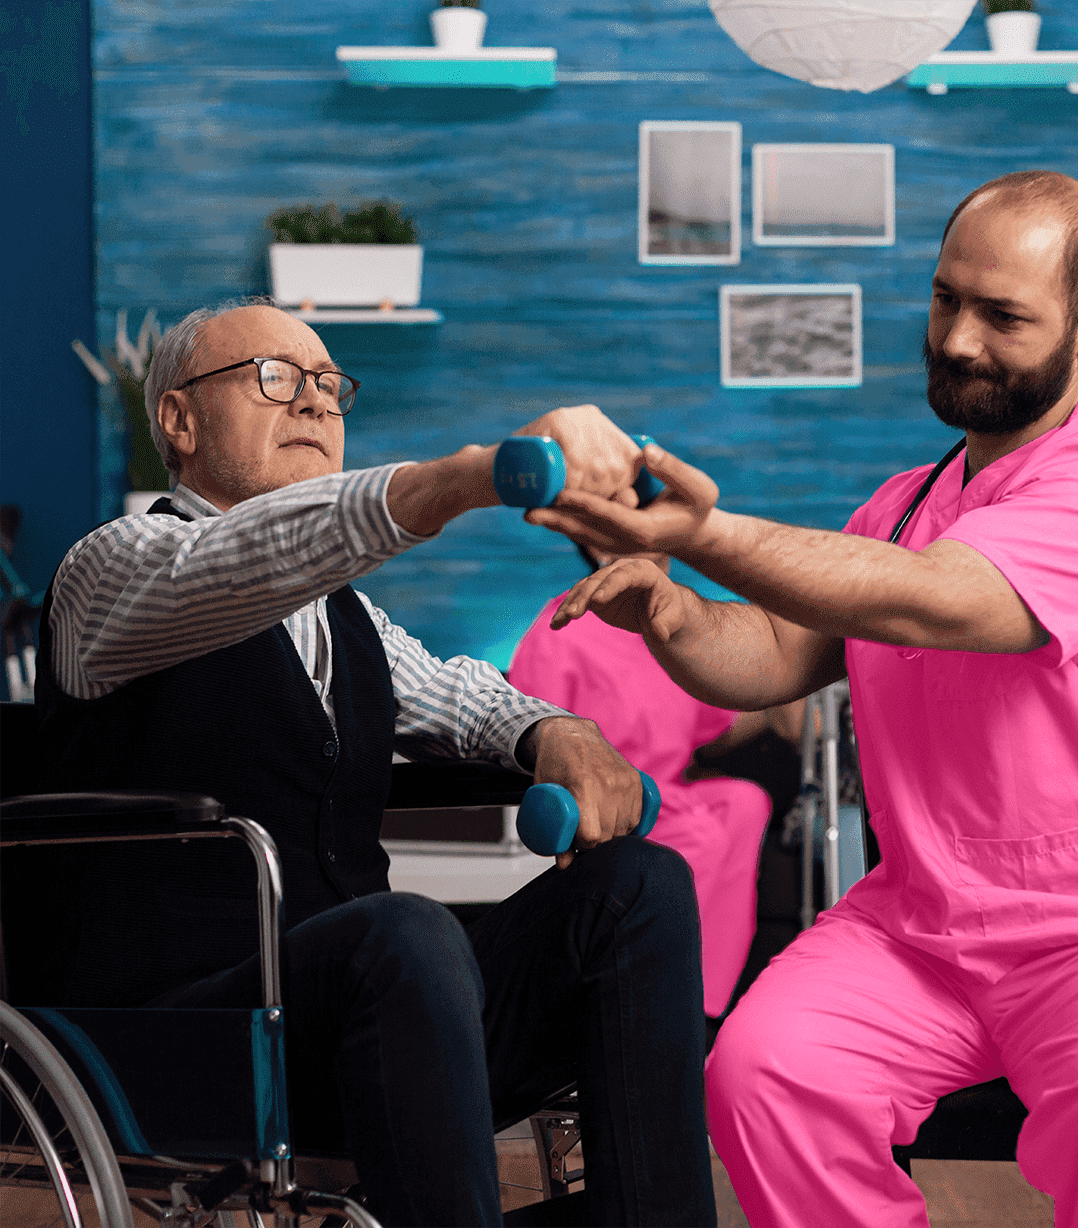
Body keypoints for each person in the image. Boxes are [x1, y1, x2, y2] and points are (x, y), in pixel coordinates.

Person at [524, 172, 1078, 1228]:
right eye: (947, 299)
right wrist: (666, 608)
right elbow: (767, 650)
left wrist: (704, 533)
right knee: (761, 1073)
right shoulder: (901, 504)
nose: (957, 340)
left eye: (1002, 315)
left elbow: (941, 599)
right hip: (922, 926)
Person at [33, 301, 718, 1228]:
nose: (315, 404)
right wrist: (475, 477)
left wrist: (555, 732)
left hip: (361, 1027)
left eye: (328, 386)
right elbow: (235, 564)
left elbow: (461, 694)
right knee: (402, 931)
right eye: (275, 378)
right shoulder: (109, 573)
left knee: (638, 887)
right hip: (179, 1040)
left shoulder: (345, 618)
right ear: (179, 422)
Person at [508, 541, 785, 1021]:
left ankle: (702, 1007)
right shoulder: (562, 629)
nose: (655, 555)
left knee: (744, 803)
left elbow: (715, 721)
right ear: (600, 550)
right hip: (598, 804)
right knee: (698, 832)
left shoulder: (665, 631)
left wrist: (786, 694)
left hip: (665, 796)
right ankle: (653, 998)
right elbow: (531, 731)